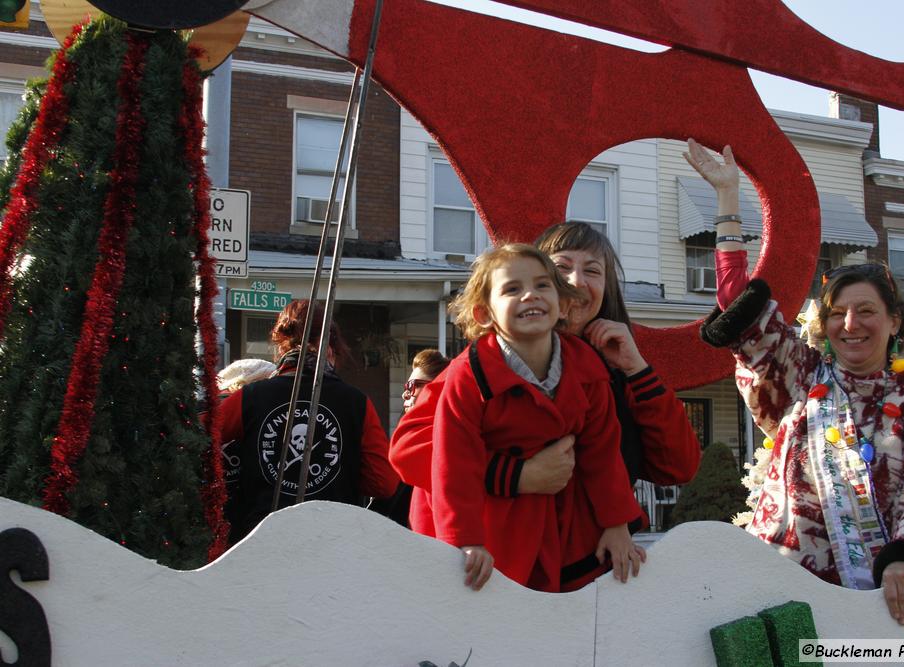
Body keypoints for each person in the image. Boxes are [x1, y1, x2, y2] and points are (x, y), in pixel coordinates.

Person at [685, 138, 904, 626]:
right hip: (785, 584)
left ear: (895, 322)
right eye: (838, 314)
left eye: (866, 311)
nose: (850, 324)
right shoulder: (801, 374)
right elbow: (740, 310)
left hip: (888, 595)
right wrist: (728, 201)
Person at [391, 223, 702, 590]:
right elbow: (410, 450)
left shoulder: (603, 370)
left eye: (592, 270)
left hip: (584, 566)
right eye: (562, 267)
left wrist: (637, 370)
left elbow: (677, 465)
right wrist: (517, 475)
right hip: (498, 556)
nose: (576, 280)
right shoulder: (478, 371)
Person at [217, 299, 399, 545]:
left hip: (259, 542)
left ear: (281, 348)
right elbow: (383, 484)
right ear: (332, 348)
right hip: (333, 540)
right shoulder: (357, 403)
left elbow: (200, 439)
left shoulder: (249, 398)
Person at [372, 349, 452, 528]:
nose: (405, 394)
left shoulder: (444, 439)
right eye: (406, 387)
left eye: (413, 385)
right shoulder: (412, 434)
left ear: (438, 386)